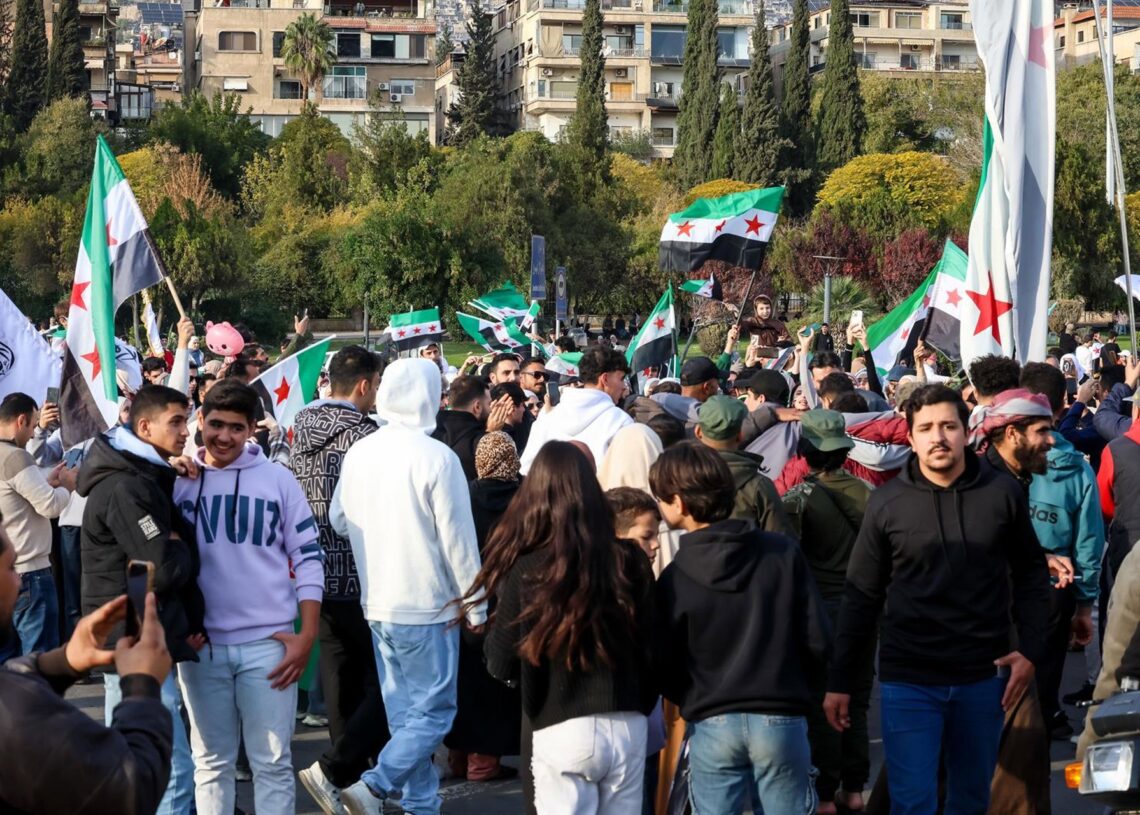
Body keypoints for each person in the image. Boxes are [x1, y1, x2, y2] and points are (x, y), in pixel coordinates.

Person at [824, 385, 1050, 815]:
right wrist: (840, 683)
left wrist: (1031, 651)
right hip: (908, 680)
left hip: (983, 679)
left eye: (948, 426)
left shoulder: (1002, 494)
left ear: (967, 432)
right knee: (914, 802)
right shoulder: (886, 504)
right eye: (926, 428)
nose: (938, 437)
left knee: (971, 799)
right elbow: (861, 597)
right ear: (909, 438)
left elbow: (1032, 577)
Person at [330, 358, 486, 815]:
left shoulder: (362, 451)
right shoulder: (436, 456)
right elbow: (459, 540)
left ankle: (420, 803)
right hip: (428, 603)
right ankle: (375, 785)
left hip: (378, 601)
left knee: (405, 715)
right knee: (434, 713)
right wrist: (477, 606)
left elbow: (340, 519)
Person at [476, 442, 657, 814]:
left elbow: (499, 660)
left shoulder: (529, 568)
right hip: (629, 721)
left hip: (560, 723)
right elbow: (655, 644)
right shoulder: (632, 561)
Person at [651, 442, 830, 814]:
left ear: (679, 503)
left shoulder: (676, 576)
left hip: (711, 718)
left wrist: (690, 697)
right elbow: (817, 638)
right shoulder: (782, 554)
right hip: (781, 712)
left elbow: (663, 661)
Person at [174, 380, 324, 815]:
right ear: (199, 421)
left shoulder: (279, 479)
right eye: (215, 424)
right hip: (202, 648)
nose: (223, 436)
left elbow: (309, 559)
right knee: (211, 763)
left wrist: (306, 634)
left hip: (270, 646)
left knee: (272, 764)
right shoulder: (179, 480)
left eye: (236, 428)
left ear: (253, 429)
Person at [78, 384, 204, 815]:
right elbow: (160, 568)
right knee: (168, 767)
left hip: (134, 632)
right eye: (176, 422)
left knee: (135, 759)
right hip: (134, 635)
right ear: (144, 426)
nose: (186, 431)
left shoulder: (144, 474)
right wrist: (179, 544)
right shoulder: (126, 487)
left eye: (186, 421)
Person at [0, 536, 176, 815]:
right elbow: (131, 789)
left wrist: (63, 663)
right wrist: (142, 686)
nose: (19, 581)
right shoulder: (18, 716)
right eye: (11, 567)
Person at [291, 346, 391, 815]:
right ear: (366, 384)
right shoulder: (367, 437)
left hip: (312, 570)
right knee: (382, 681)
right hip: (359, 567)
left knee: (336, 675)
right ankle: (343, 766)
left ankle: (343, 774)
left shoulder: (301, 427)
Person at [781, 410, 873, 815]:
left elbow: (791, 559)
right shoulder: (870, 491)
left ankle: (824, 793)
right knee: (857, 699)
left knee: (824, 700)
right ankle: (855, 788)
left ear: (806, 451)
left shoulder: (797, 500)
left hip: (820, 611)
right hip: (865, 610)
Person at [1019, 364, 1103, 740]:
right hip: (1057, 580)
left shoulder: (1003, 458)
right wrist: (1085, 604)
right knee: (1049, 654)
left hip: (1021, 577)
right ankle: (1045, 713)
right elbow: (1088, 541)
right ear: (1061, 406)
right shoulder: (1079, 471)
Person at [446, 432, 523, 783]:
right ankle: (484, 760)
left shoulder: (464, 493)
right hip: (510, 600)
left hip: (465, 597)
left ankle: (459, 756)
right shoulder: (525, 497)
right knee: (498, 681)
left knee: (464, 679)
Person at [0, 393, 75, 661]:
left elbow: (16, 491)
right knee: (36, 664)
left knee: (9, 663)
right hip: (29, 573)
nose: (33, 434)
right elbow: (49, 506)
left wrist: (46, 479)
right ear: (21, 420)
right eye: (33, 426)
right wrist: (67, 485)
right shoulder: (15, 457)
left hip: (8, 572)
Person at [520, 347, 633, 474]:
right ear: (605, 379)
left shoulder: (546, 418)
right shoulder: (620, 421)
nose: (624, 386)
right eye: (621, 379)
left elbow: (526, 472)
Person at [694, 395, 794, 537]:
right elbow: (781, 540)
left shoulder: (679, 475)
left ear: (698, 431)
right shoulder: (759, 485)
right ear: (740, 436)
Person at [432, 375, 513, 482]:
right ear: (477, 407)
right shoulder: (477, 440)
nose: (492, 409)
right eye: (489, 404)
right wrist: (490, 436)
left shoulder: (433, 430)